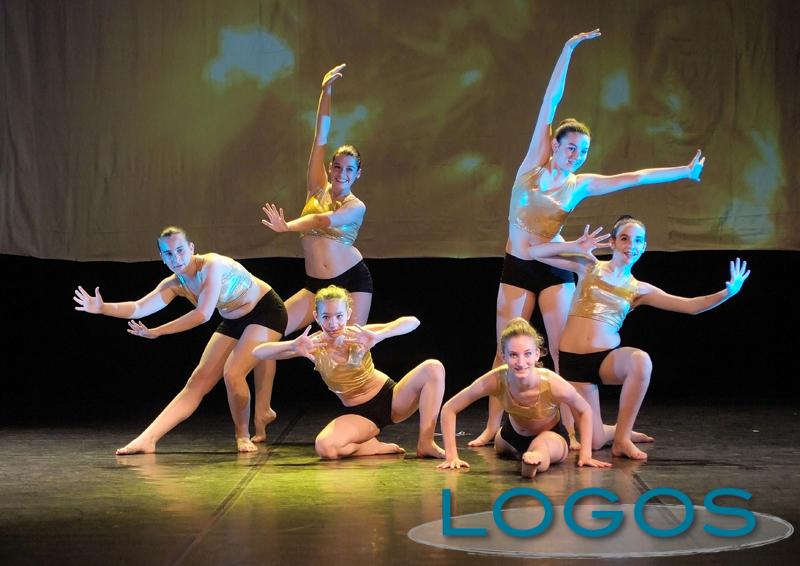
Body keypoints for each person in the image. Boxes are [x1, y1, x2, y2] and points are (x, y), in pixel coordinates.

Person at [473, 28, 707, 447]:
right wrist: (568, 49)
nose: (576, 156)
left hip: (554, 264)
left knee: (562, 351)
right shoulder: (532, 166)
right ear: (554, 145)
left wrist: (683, 172)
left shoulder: (579, 184)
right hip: (519, 264)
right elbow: (550, 102)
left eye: (582, 151)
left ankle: (574, 427)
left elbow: (634, 177)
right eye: (571, 148)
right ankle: (493, 425)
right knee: (504, 349)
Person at [523, 216, 750, 459]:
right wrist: (574, 247)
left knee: (640, 361)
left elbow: (691, 306)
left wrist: (727, 293)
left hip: (605, 360)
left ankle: (622, 439)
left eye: (638, 241)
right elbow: (534, 252)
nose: (631, 245)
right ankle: (614, 432)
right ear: (612, 243)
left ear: (644, 247)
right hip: (573, 364)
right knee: (596, 442)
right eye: (624, 238)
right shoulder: (589, 266)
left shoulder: (640, 289)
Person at [73, 226, 287, 454]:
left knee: (233, 373)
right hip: (234, 319)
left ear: (192, 248)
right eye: (168, 254)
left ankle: (242, 435)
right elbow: (139, 307)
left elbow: (203, 314)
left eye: (180, 250)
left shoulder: (212, 266)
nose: (176, 258)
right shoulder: (174, 284)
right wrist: (103, 308)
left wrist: (159, 331)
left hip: (265, 312)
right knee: (197, 381)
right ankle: (147, 439)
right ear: (162, 257)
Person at [252, 285, 445, 459]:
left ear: (348, 314)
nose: (333, 324)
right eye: (326, 317)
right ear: (316, 317)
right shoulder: (312, 345)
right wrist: (292, 346)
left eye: (339, 316)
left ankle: (425, 443)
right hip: (361, 416)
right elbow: (258, 352)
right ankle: (371, 447)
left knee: (433, 367)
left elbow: (413, 322)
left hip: (393, 399)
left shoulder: (358, 334)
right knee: (325, 448)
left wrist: (379, 336)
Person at [261, 63, 372, 334]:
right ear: (330, 167)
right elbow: (320, 138)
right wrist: (326, 93)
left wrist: (287, 226)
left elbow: (322, 220)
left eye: (349, 170)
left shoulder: (356, 206)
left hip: (352, 281)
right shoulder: (316, 188)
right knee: (267, 331)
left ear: (358, 174)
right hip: (315, 286)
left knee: (349, 350)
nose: (342, 174)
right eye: (337, 167)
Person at [437, 318, 610, 477]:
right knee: (500, 444)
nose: (521, 363)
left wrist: (586, 454)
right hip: (511, 435)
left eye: (527, 354)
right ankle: (526, 454)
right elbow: (449, 408)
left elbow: (584, 410)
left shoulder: (552, 383)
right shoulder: (495, 379)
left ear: (537, 354)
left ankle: (532, 463)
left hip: (550, 435)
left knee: (542, 447)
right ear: (503, 356)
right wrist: (451, 456)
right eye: (513, 355)